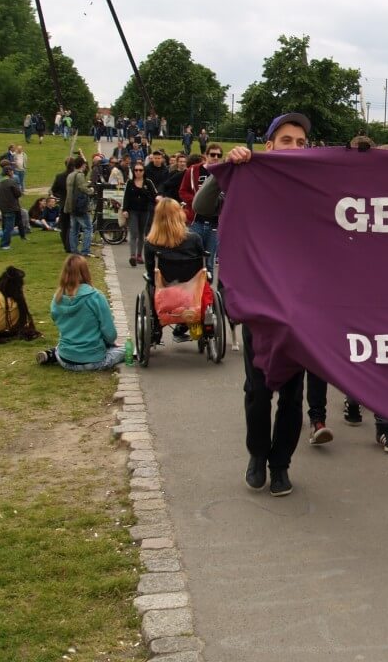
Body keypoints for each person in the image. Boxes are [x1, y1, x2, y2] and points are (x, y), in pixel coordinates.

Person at [193, 113, 313, 498]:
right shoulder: (250, 174)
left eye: (301, 142)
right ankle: (257, 456)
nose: (294, 147)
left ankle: (281, 466)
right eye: (287, 140)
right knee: (258, 390)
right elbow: (202, 204)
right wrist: (227, 168)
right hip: (259, 306)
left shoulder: (313, 185)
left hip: (301, 310)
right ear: (269, 146)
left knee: (293, 395)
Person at [35, 255, 123, 370]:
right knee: (125, 348)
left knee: (65, 342)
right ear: (85, 272)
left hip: (65, 358)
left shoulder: (57, 298)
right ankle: (55, 353)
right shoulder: (95, 297)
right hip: (92, 360)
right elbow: (110, 334)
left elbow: (55, 319)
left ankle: (52, 354)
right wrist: (109, 343)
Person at [144, 198, 206, 344]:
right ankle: (188, 325)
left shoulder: (151, 243)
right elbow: (202, 266)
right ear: (180, 214)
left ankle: (156, 328)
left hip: (165, 292)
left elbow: (151, 272)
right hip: (191, 291)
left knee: (150, 283)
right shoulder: (194, 239)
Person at [179, 145, 223, 278]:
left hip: (214, 224)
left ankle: (207, 295)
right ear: (206, 155)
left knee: (209, 263)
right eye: (212, 154)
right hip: (195, 221)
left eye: (218, 155)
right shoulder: (193, 171)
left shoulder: (223, 172)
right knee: (191, 258)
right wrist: (196, 202)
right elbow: (182, 191)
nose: (215, 158)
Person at [121, 160, 159, 267]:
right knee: (134, 232)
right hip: (133, 211)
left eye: (140, 170)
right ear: (133, 171)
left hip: (145, 210)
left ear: (143, 171)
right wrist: (125, 209)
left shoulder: (148, 183)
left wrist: (153, 198)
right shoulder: (130, 183)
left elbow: (154, 195)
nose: (138, 172)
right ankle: (132, 255)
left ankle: (139, 255)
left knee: (142, 233)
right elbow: (126, 197)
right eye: (136, 170)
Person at [64, 156, 94, 257]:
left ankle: (74, 249)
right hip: (79, 206)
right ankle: (85, 250)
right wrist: (91, 191)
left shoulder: (70, 175)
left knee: (74, 229)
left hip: (70, 205)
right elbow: (82, 188)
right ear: (82, 165)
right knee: (88, 227)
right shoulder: (79, 175)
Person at [0, 165, 25, 251]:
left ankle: (4, 243)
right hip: (11, 207)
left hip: (3, 207)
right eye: (12, 171)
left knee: (7, 226)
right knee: (9, 227)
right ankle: (4, 244)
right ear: (8, 172)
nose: (13, 172)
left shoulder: (0, 182)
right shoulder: (11, 182)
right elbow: (18, 194)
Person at [51, 157, 74, 253]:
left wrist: (59, 197)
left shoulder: (59, 176)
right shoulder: (74, 176)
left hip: (63, 203)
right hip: (73, 204)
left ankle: (66, 245)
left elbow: (54, 190)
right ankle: (70, 245)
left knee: (64, 226)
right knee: (71, 226)